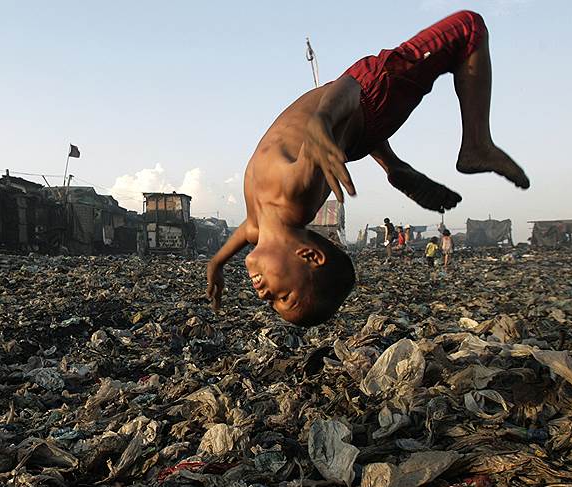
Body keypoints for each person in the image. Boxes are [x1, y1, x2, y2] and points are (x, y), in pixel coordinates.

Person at [206, 10, 529, 326]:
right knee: (467, 27)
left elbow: (241, 235)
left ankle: (394, 165)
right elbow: (348, 85)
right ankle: (476, 144)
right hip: (373, 96)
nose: (265, 297)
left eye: (275, 302)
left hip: (358, 133)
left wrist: (217, 264)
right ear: (310, 256)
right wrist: (322, 119)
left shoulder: (258, 226)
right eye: (284, 297)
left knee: (337, 132)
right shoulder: (294, 194)